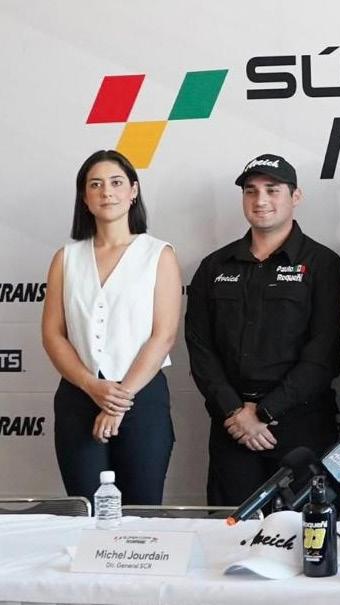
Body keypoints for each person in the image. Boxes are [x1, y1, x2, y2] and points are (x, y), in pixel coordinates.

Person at [186, 154, 340, 507]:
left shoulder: (324, 265)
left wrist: (263, 413)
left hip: (302, 426)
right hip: (232, 429)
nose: (260, 200)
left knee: (310, 532)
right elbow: (200, 348)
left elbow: (325, 353)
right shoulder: (214, 267)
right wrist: (234, 412)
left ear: (295, 196)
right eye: (251, 191)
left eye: (272, 190)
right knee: (229, 533)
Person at [41, 150, 181, 504]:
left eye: (116, 182)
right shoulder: (66, 258)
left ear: (133, 190)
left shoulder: (158, 254)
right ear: (84, 197)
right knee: (86, 509)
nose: (107, 192)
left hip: (141, 397)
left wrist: (117, 401)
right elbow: (53, 334)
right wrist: (92, 386)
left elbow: (163, 335)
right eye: (96, 185)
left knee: (142, 510)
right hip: (79, 395)